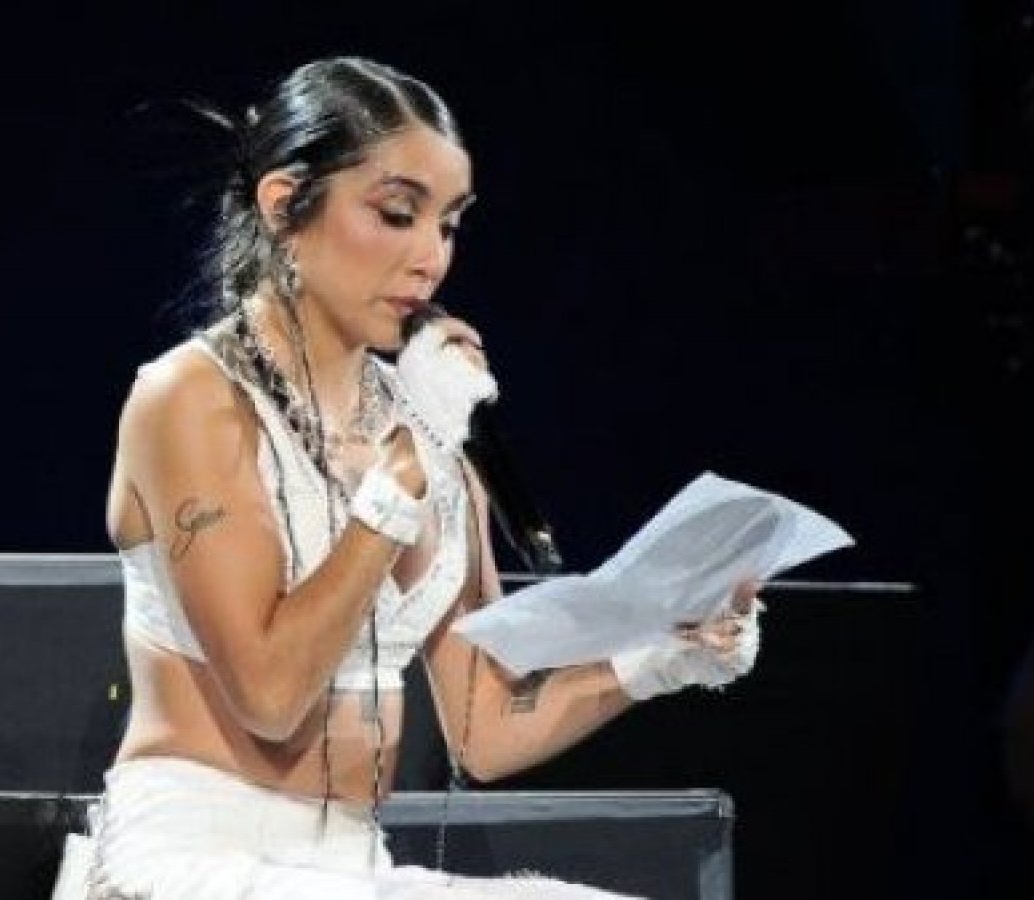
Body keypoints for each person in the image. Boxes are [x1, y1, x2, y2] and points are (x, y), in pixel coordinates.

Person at [52, 57, 764, 900]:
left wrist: (662, 658)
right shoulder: (190, 401)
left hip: (353, 867)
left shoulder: (427, 418)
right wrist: (400, 482)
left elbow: (484, 727)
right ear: (285, 207)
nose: (431, 259)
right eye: (397, 214)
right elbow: (271, 694)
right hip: (192, 855)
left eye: (451, 225)